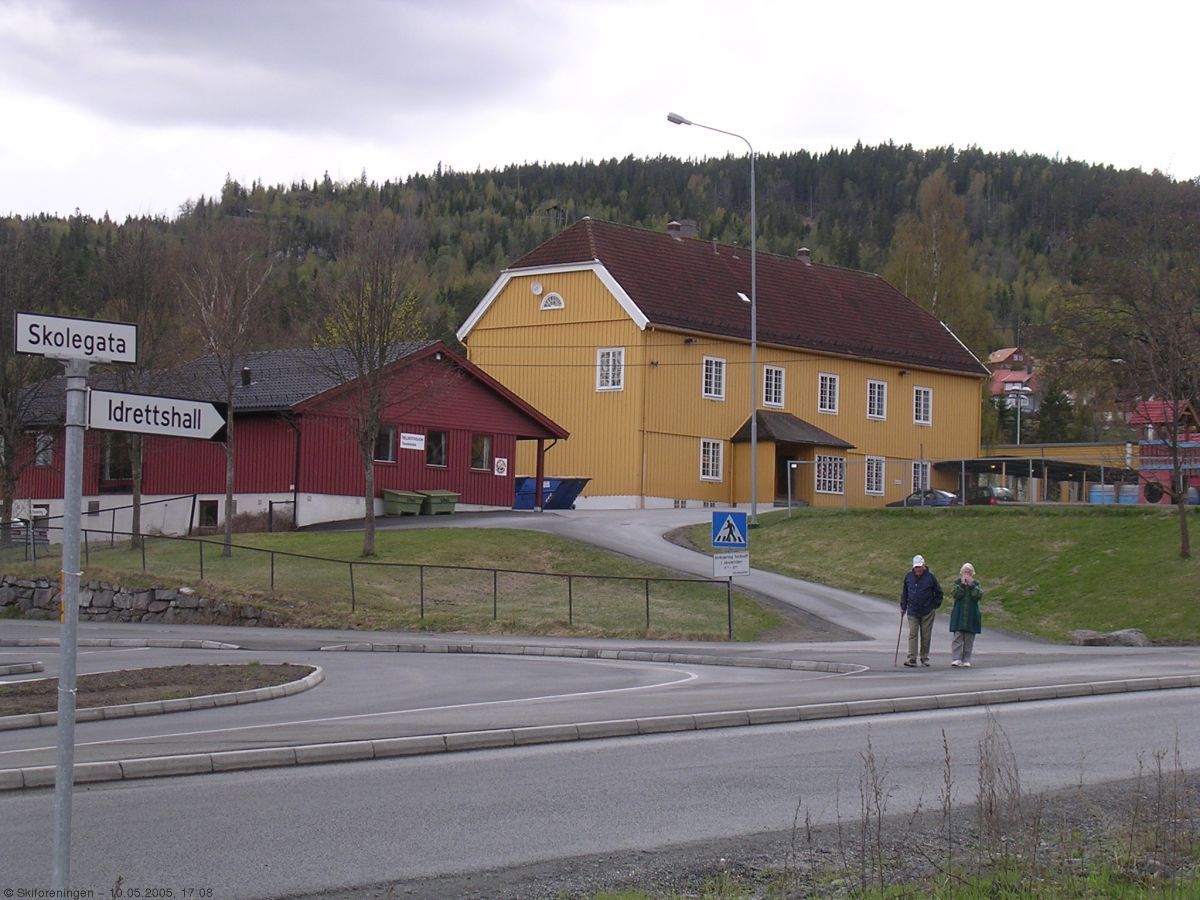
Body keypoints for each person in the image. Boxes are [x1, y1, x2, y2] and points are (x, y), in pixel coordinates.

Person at [900, 554, 943, 667]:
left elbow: (939, 592)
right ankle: (912, 658)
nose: (918, 569)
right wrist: (903, 606)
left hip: (927, 611)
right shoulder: (908, 577)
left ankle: (924, 657)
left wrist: (935, 605)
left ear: (924, 565)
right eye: (916, 567)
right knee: (912, 634)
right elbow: (905, 593)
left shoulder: (930, 577)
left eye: (919, 567)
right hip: (913, 610)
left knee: (926, 635)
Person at [949, 562, 983, 667]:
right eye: (965, 572)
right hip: (959, 614)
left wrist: (971, 586)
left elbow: (977, 596)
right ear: (961, 573)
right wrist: (962, 586)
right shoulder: (957, 583)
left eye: (969, 572)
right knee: (957, 637)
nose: (967, 574)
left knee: (969, 638)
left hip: (971, 615)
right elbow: (955, 595)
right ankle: (956, 658)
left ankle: (966, 659)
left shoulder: (976, 585)